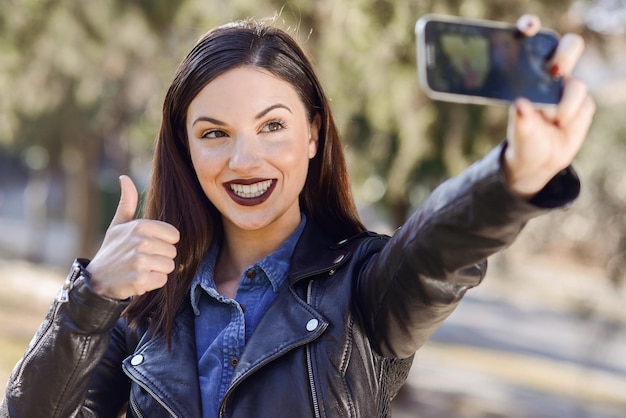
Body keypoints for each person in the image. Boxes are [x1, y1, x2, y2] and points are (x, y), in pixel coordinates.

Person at [1, 13, 594, 418]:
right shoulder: (143, 305)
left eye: (272, 126)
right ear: (185, 148)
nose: (244, 159)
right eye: (214, 133)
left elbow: (440, 250)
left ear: (314, 134)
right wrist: (94, 294)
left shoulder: (366, 288)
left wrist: (515, 174)